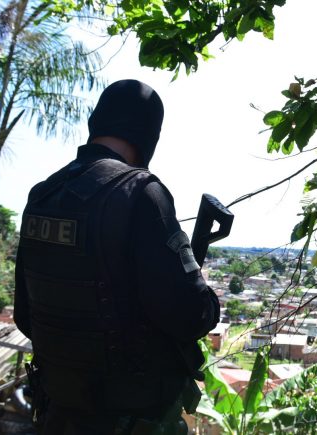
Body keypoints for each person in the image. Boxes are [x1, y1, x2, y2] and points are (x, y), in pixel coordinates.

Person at [14, 79, 220, 434]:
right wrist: (205, 295)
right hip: (127, 419)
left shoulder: (43, 194)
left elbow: (24, 317)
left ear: (98, 122)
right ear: (149, 135)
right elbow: (189, 316)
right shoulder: (141, 190)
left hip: (57, 414)